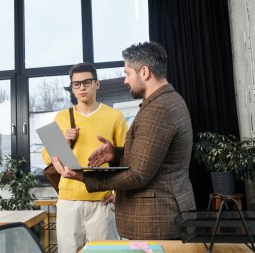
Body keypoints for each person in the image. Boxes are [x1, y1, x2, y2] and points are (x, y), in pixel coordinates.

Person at [51, 42, 196, 240]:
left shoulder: (155, 109)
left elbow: (137, 174)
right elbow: (146, 154)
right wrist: (116, 153)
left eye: (127, 73)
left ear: (144, 72)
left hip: (154, 214)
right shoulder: (163, 102)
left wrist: (84, 177)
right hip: (71, 198)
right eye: (76, 84)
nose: (125, 80)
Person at [41, 62, 128, 252]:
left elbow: (126, 159)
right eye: (76, 84)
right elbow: (47, 157)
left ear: (97, 84)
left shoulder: (115, 117)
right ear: (72, 88)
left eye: (87, 82)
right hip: (68, 201)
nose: (81, 88)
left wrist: (116, 194)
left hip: (102, 200)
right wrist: (63, 140)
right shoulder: (62, 117)